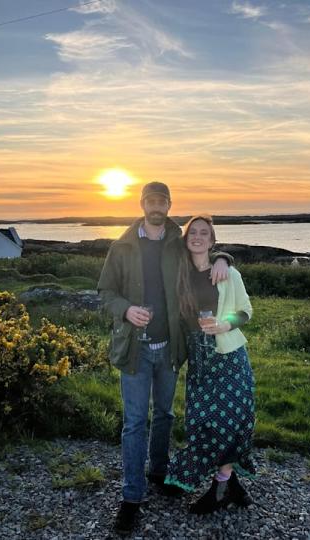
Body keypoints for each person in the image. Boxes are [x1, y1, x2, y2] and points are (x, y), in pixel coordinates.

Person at [97, 182, 234, 534]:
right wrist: (126, 309)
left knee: (165, 415)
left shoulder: (177, 243)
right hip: (135, 350)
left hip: (171, 348)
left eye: (163, 201)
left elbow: (204, 252)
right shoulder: (122, 246)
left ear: (169, 205)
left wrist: (223, 258)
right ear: (143, 204)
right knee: (134, 422)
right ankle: (131, 498)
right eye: (151, 200)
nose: (157, 205)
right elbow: (105, 292)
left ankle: (158, 472)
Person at [164, 214, 257, 514]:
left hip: (228, 355)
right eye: (194, 232)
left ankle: (220, 487)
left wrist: (225, 325)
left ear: (212, 240)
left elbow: (245, 311)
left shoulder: (230, 273)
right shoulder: (179, 272)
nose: (198, 236)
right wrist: (222, 256)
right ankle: (230, 483)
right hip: (199, 357)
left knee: (231, 421)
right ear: (186, 238)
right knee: (203, 422)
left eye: (205, 233)